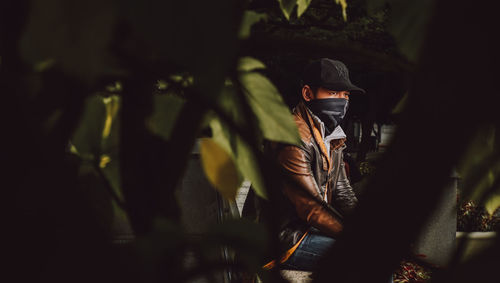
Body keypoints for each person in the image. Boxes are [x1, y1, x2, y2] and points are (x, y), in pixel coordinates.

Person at [255, 58, 364, 271]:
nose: (342, 101)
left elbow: (342, 190)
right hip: (283, 239)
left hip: (308, 229)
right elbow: (310, 208)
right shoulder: (292, 136)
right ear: (308, 94)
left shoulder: (331, 135)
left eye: (346, 95)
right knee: (370, 257)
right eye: (333, 93)